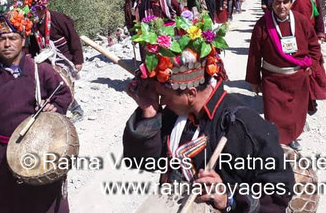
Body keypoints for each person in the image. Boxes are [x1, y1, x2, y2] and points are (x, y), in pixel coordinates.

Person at [124, 12, 294, 212]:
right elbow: (143, 162)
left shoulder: (242, 125)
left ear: (190, 93)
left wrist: (228, 199)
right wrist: (149, 113)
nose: (161, 101)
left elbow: (279, 191)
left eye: (163, 95)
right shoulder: (177, 114)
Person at [0, 7, 72, 213]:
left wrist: (55, 106)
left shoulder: (41, 70)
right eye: (1, 38)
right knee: (11, 204)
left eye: (13, 37)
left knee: (47, 201)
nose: (7, 44)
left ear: (23, 39)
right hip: (4, 152)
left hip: (42, 147)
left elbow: (63, 94)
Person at [245, 0, 326, 150]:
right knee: (274, 114)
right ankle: (276, 141)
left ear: (290, 3)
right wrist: (254, 80)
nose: (281, 6)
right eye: (277, 2)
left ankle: (292, 137)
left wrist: (311, 65)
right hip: (272, 80)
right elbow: (254, 54)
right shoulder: (262, 25)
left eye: (285, 2)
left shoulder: (301, 21)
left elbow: (313, 46)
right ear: (271, 3)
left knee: (296, 113)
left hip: (298, 78)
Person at [26, 0, 85, 121]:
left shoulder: (58, 19)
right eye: (34, 8)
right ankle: (53, 111)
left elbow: (73, 38)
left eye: (38, 8)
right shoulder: (33, 24)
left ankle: (76, 109)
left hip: (65, 58)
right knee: (46, 85)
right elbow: (35, 45)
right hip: (46, 60)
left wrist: (78, 60)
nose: (36, 11)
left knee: (62, 83)